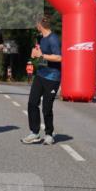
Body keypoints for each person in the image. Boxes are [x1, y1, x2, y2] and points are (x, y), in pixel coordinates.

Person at [22, 16, 62, 145]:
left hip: (52, 77)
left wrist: (42, 55)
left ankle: (49, 134)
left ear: (40, 25)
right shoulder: (41, 38)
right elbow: (38, 54)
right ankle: (34, 133)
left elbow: (59, 57)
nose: (36, 27)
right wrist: (34, 54)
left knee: (46, 108)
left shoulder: (53, 39)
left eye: (36, 25)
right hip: (40, 75)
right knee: (32, 103)